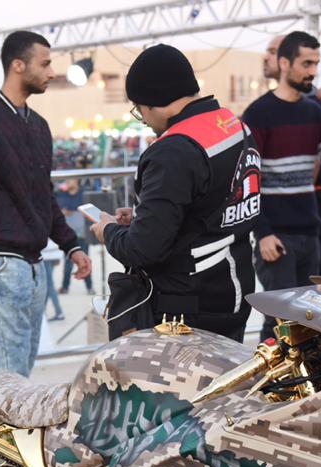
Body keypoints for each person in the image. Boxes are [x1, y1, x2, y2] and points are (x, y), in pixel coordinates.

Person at [0, 30, 91, 376]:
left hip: (33, 264)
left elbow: (43, 194)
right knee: (11, 375)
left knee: (21, 370)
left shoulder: (39, 126)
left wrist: (71, 245)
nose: (52, 72)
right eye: (45, 63)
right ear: (18, 65)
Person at [90, 43, 263, 342]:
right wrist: (145, 214)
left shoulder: (173, 150)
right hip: (233, 289)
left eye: (140, 110)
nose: (144, 120)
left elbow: (143, 249)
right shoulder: (235, 126)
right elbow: (213, 205)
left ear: (153, 103)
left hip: (186, 307)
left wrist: (108, 231)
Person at [241, 31, 321, 334]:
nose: (313, 71)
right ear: (285, 64)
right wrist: (263, 232)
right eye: (306, 64)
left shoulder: (315, 112)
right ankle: (266, 367)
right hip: (276, 237)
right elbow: (246, 181)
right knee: (280, 322)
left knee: (308, 322)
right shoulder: (258, 114)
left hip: (309, 234)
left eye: (315, 63)